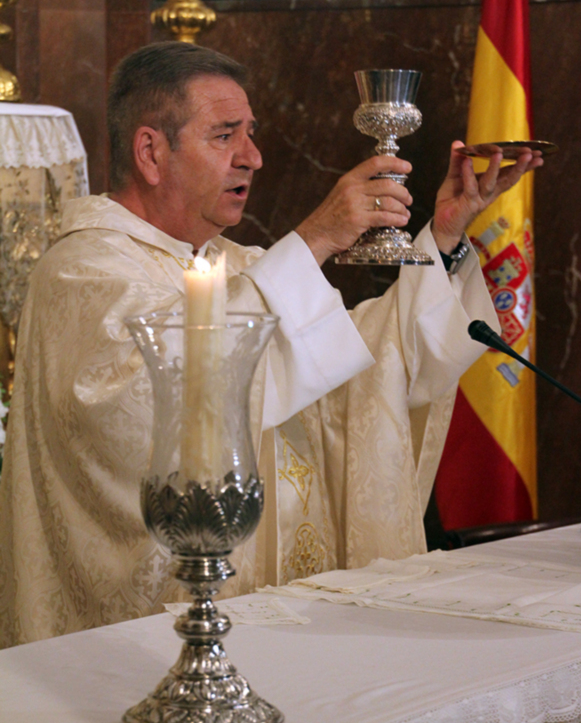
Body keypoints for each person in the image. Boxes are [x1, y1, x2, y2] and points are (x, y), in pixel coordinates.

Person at [0, 42, 542, 648]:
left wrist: (442, 235)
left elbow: (363, 371)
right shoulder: (84, 270)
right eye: (224, 135)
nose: (252, 158)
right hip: (145, 651)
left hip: (286, 627)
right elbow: (149, 415)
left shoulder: (236, 265)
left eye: (251, 134)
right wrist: (314, 238)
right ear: (151, 152)